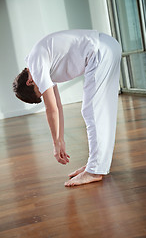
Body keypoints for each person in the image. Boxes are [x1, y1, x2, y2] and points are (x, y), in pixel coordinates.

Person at [13, 29, 122, 187]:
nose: (44, 92)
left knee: (91, 110)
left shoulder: (36, 65)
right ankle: (97, 165)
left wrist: (55, 145)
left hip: (100, 49)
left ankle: (94, 170)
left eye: (40, 92)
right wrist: (60, 139)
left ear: (30, 82)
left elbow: (51, 109)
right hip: (107, 46)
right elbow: (57, 105)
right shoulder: (39, 61)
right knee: (100, 111)